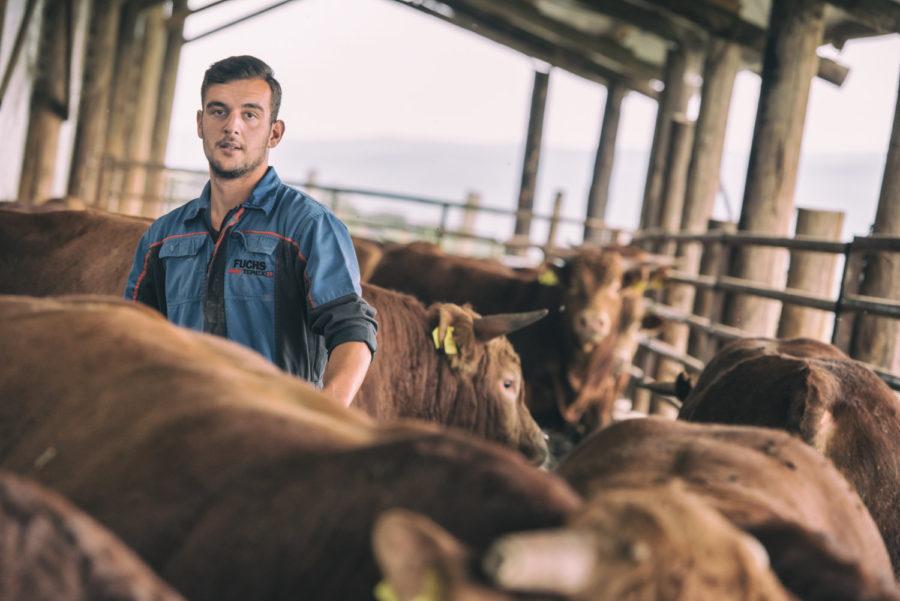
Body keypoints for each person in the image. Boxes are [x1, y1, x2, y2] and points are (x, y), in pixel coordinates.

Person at [124, 55, 377, 407]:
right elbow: (130, 335)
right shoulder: (163, 237)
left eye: (250, 114)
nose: (232, 127)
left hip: (271, 432)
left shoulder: (307, 226)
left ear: (275, 132)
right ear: (200, 123)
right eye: (218, 111)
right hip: (182, 426)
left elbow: (353, 330)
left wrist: (324, 417)